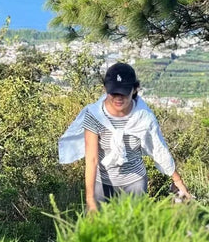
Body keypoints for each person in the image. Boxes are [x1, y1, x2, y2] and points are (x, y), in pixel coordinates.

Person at [58, 62, 190, 212]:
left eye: (124, 92)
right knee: (100, 231)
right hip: (102, 184)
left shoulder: (143, 117)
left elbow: (158, 150)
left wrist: (177, 180)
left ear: (134, 90)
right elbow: (92, 159)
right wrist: (90, 200)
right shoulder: (95, 115)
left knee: (133, 231)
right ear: (105, 89)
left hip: (135, 183)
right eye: (114, 92)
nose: (118, 98)